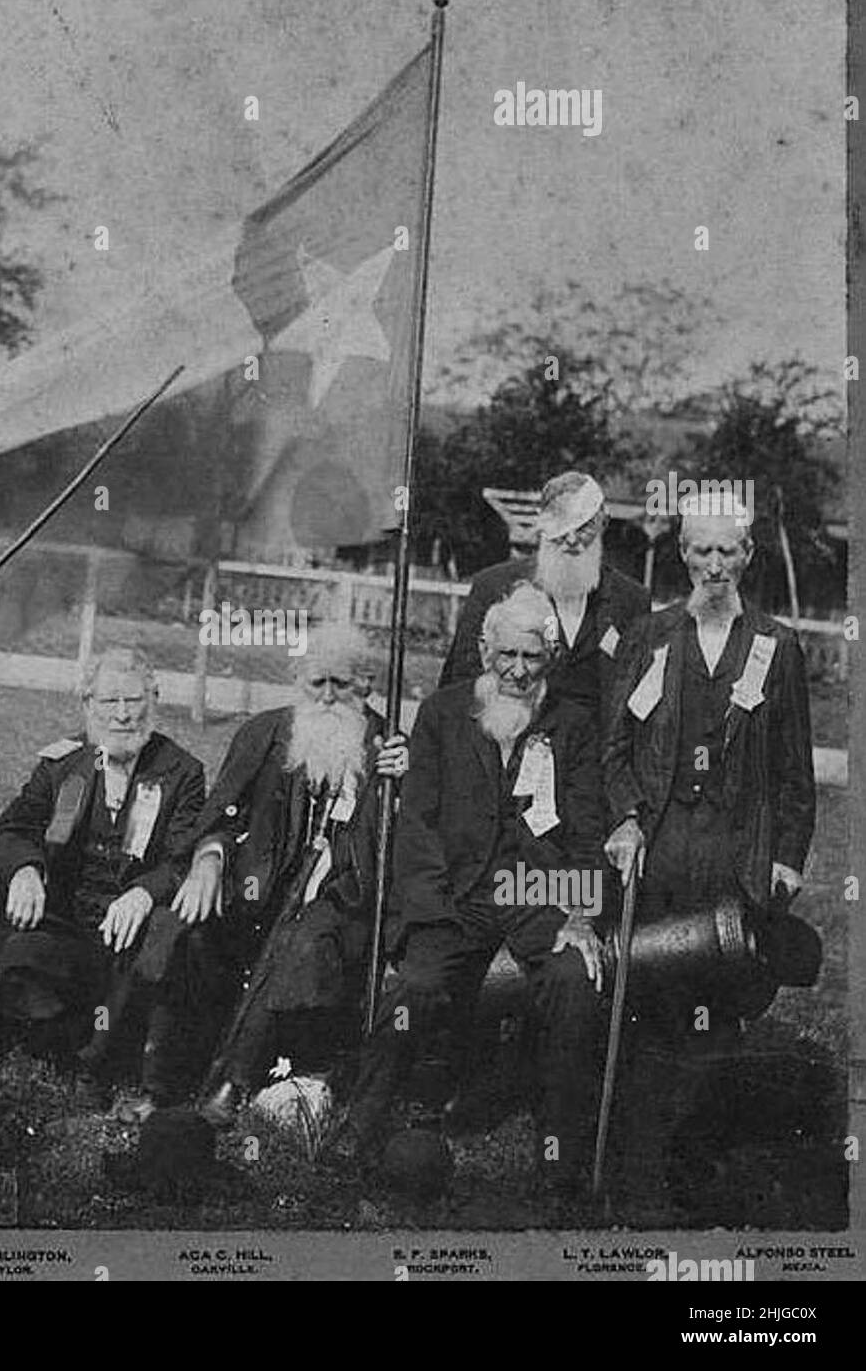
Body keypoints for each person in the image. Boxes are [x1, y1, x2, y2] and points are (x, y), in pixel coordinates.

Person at [338, 582, 607, 1202]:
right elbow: (418, 823)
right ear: (484, 650)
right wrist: (429, 914)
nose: (516, 671)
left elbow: (588, 832)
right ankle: (361, 1126)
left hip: (539, 889)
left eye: (531, 657)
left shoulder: (573, 725)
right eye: (505, 655)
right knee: (417, 988)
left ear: (552, 658)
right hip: (457, 895)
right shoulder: (442, 713)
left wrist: (582, 916)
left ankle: (560, 1154)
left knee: (574, 981)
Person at [602, 508, 816, 1210]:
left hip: (736, 850)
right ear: (682, 557)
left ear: (748, 554)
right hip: (662, 846)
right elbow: (614, 752)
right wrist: (626, 819)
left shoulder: (774, 647)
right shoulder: (651, 637)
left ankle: (690, 1158)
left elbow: (793, 769)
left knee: (720, 1008)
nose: (713, 566)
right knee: (652, 996)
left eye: (726, 552)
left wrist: (785, 856)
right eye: (700, 552)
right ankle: (633, 1164)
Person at [0, 647, 208, 1120]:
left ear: (154, 700)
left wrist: (143, 892)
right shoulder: (63, 763)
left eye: (134, 700)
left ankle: (100, 1065)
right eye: (109, 702)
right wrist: (26, 869)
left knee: (167, 927)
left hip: (130, 936)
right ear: (87, 704)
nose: (123, 714)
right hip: (66, 924)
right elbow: (7, 831)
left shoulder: (181, 772)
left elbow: (183, 857)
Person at [167, 624, 407, 1129]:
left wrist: (399, 783)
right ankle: (165, 1069)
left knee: (303, 941)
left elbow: (390, 848)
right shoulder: (265, 732)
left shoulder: (386, 747)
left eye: (340, 684)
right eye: (315, 682)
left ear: (364, 683)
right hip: (258, 887)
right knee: (192, 931)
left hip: (340, 895)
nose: (325, 696)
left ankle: (237, 1078)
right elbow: (218, 816)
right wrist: (208, 858)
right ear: (298, 680)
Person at [439, 472, 651, 733]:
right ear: (542, 524)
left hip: (592, 763)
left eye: (584, 526)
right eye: (561, 526)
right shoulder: (494, 587)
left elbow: (635, 699)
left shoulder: (630, 600)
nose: (572, 540)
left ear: (603, 524)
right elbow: (461, 682)